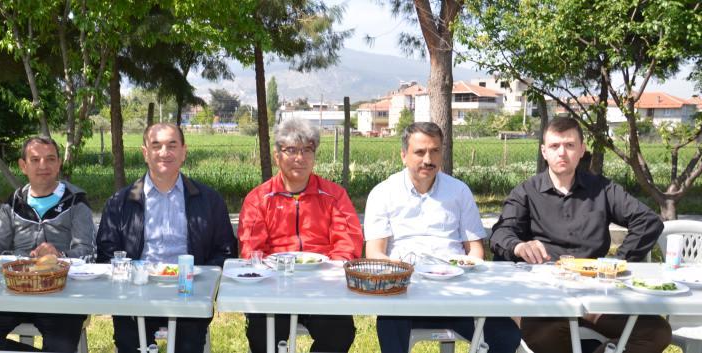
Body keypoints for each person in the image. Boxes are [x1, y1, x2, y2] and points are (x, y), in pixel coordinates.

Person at [490, 117, 670, 353]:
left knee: (655, 332)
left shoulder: (603, 189)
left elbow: (648, 221)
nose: (562, 153)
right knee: (549, 336)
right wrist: (518, 246)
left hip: (598, 295)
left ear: (582, 150)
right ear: (544, 151)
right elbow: (501, 233)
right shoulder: (526, 192)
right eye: (555, 146)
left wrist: (616, 263)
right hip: (547, 297)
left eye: (570, 145)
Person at [364, 122, 521, 353]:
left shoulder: (459, 191)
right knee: (390, 322)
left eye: (435, 151)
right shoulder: (383, 193)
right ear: (403, 155)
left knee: (507, 335)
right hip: (406, 292)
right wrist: (401, 270)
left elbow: (476, 249)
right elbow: (374, 253)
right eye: (419, 152)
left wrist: (466, 268)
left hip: (456, 294)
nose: (428, 159)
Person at [96, 123, 237, 353]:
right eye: (156, 146)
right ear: (145, 153)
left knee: (188, 346)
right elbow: (106, 254)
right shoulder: (119, 202)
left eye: (172, 146)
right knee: (130, 344)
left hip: (189, 293)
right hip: (135, 294)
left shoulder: (210, 200)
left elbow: (226, 252)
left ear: (184, 152)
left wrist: (198, 279)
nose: (164, 153)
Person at [238, 118, 363, 353]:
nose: (300, 157)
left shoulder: (334, 195)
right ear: (277, 156)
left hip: (324, 286)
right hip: (274, 286)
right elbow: (251, 250)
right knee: (262, 335)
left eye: (307, 150)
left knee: (340, 333)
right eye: (291, 150)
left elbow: (348, 243)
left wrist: (327, 274)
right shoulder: (258, 198)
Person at [0, 136, 95, 352]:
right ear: (23, 166)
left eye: (50, 159)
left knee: (60, 347)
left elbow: (88, 253)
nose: (43, 166)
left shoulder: (76, 201)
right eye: (35, 159)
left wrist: (58, 254)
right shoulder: (13, 203)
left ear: (59, 163)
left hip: (62, 294)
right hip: (14, 291)